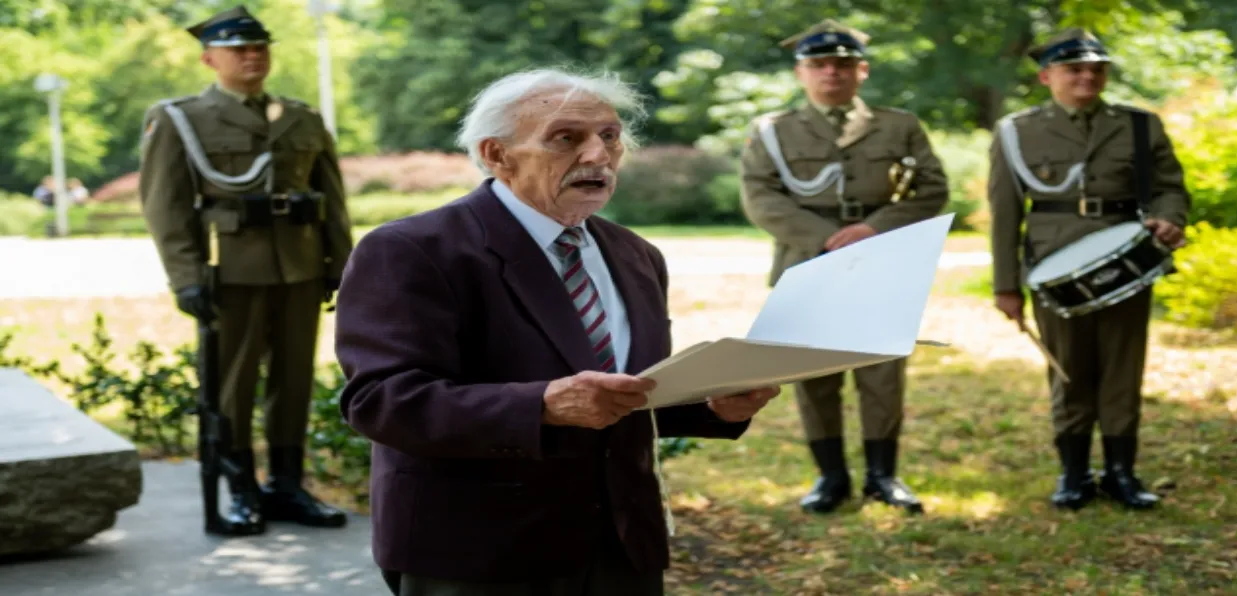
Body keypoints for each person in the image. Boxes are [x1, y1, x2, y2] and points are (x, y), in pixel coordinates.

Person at [334, 67, 781, 596]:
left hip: (621, 546)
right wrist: (541, 406)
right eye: (566, 138)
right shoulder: (413, 250)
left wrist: (710, 408)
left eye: (610, 137)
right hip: (479, 552)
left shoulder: (636, 255)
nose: (598, 155)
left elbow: (622, 391)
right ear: (498, 154)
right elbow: (382, 401)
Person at [137, 5, 354, 535]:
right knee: (231, 387)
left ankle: (286, 485)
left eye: (260, 47)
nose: (252, 56)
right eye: (238, 49)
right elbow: (166, 206)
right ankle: (241, 489)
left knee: (295, 380)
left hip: (299, 269)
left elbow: (332, 198)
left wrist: (340, 266)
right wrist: (185, 277)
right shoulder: (181, 119)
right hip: (231, 273)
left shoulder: (300, 117)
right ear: (210, 58)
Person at [738, 19, 950, 516]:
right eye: (818, 65)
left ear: (863, 70)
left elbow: (933, 189)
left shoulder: (900, 125)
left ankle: (884, 476)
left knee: (882, 376)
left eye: (842, 64)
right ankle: (830, 477)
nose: (831, 73)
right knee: (815, 378)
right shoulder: (772, 131)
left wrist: (871, 230)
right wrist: (825, 239)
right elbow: (760, 197)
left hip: (881, 261)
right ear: (801, 73)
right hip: (807, 263)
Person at [986, 28, 1190, 511]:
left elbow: (1170, 187)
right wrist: (1005, 286)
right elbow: (1005, 212)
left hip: (1129, 261)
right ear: (1046, 76)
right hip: (1053, 266)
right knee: (1070, 371)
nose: (1087, 76)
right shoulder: (1017, 131)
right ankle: (1074, 474)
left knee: (1123, 368)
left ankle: (1122, 473)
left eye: (1096, 68)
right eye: (1074, 68)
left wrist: (1170, 218)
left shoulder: (1141, 126)